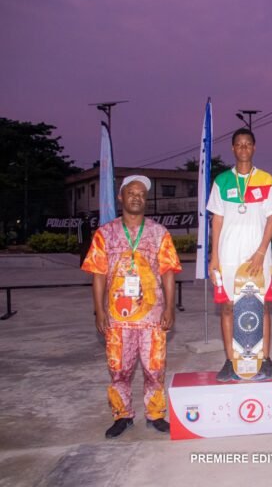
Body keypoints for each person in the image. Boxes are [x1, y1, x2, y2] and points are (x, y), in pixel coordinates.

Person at [82, 175, 181, 438]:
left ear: (145, 200)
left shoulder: (160, 233)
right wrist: (100, 310)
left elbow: (169, 272)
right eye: (131, 193)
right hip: (117, 317)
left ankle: (156, 414)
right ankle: (122, 415)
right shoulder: (105, 234)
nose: (136, 197)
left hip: (153, 316)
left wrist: (170, 308)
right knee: (118, 370)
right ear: (121, 197)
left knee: (155, 368)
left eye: (141, 194)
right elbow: (99, 274)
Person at [207, 128, 272, 381]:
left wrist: (261, 251)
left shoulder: (266, 180)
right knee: (228, 307)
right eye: (238, 144)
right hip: (228, 255)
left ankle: (265, 359)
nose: (243, 148)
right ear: (232, 149)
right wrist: (214, 257)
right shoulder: (221, 182)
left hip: (258, 255)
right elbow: (216, 221)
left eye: (247, 144)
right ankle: (230, 360)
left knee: (261, 307)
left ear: (254, 148)